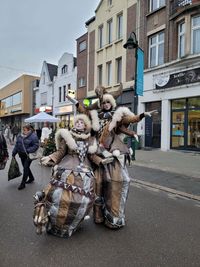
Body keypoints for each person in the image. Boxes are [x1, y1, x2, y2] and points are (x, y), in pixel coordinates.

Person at [74, 84, 156, 229]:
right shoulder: (95, 116)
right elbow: (84, 111)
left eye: (108, 102)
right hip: (97, 153)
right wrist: (75, 102)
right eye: (103, 102)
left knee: (116, 181)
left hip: (112, 154)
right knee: (97, 184)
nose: (105, 104)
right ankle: (98, 215)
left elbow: (129, 120)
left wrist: (142, 115)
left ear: (111, 104)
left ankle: (114, 216)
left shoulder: (116, 117)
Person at [33, 113, 99, 237]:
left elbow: (92, 156)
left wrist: (102, 161)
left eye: (82, 123)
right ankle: (54, 222)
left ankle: (72, 223)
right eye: (77, 122)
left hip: (84, 168)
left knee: (82, 199)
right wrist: (50, 158)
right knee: (58, 195)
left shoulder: (90, 139)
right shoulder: (67, 136)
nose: (79, 124)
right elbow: (61, 151)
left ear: (86, 125)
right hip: (66, 166)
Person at [12, 124, 39, 190]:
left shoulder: (33, 136)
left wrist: (28, 150)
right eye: (23, 130)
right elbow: (17, 145)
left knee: (25, 168)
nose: (23, 131)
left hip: (28, 155)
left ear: (29, 130)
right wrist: (14, 153)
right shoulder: (20, 136)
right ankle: (31, 178)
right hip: (21, 155)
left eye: (25, 130)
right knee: (25, 167)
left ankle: (23, 183)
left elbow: (36, 145)